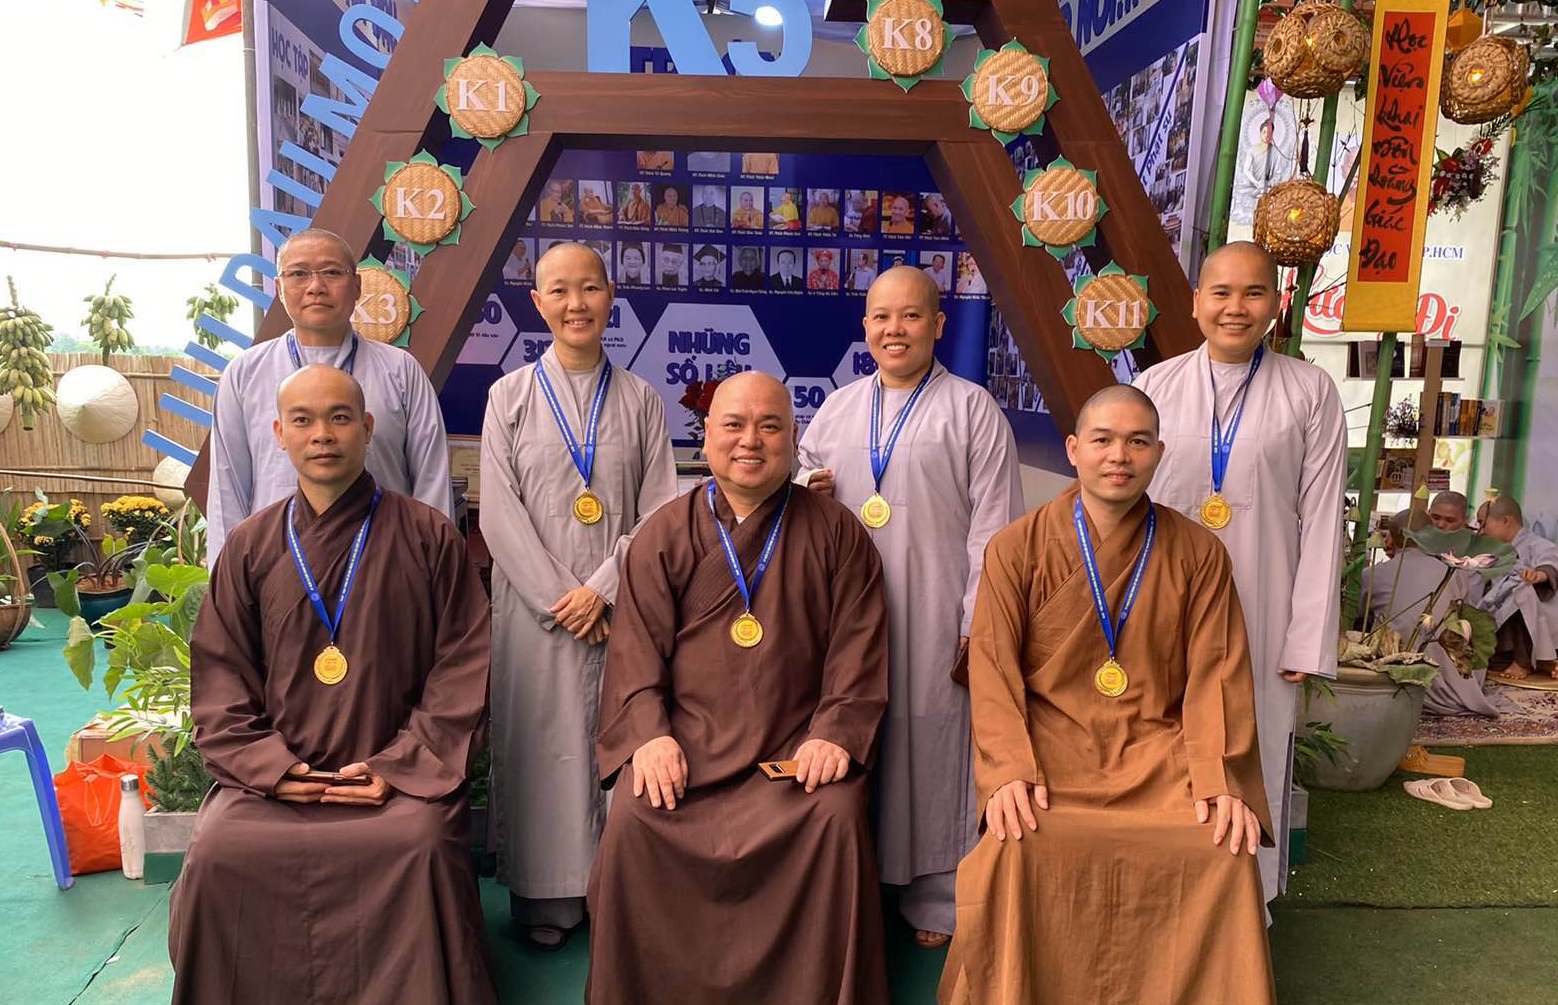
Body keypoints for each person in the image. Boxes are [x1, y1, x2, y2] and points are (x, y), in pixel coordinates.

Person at [939, 384, 1274, 1005]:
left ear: (1159, 453)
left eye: (1137, 442)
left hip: (1158, 752)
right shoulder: (1015, 548)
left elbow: (1217, 672)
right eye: (1103, 440)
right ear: (1074, 449)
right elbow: (992, 668)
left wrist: (1221, 778)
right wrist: (1008, 771)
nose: (1119, 456)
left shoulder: (1199, 551)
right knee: (1017, 844)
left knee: (1222, 848)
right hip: (1052, 751)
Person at [169, 365, 494, 1004]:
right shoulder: (250, 546)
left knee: (421, 844)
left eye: (340, 417)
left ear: (367, 428)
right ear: (279, 435)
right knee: (217, 850)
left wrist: (399, 767)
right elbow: (220, 676)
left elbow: (462, 667)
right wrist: (270, 769)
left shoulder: (428, 536)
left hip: (396, 782)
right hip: (275, 784)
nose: (323, 434)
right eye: (304, 420)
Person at [587, 371, 890, 1003]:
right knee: (633, 820)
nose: (750, 440)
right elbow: (635, 657)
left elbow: (857, 654)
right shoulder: (664, 533)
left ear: (793, 436)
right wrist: (649, 738)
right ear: (707, 434)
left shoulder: (838, 533)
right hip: (688, 750)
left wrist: (834, 735)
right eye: (734, 424)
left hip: (792, 753)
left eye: (769, 426)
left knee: (835, 817)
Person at [799, 266, 1023, 945]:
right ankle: (855, 883)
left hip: (935, 611)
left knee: (934, 741)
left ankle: (936, 896)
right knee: (856, 738)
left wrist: (977, 621)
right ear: (865, 326)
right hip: (847, 615)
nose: (894, 329)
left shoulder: (973, 410)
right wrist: (808, 486)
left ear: (938, 325)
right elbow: (800, 483)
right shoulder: (838, 408)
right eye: (881, 317)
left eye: (911, 315)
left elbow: (996, 530)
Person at [1134, 240, 1346, 905]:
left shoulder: (1309, 390)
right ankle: (1164, 895)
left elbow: (1322, 517)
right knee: (1161, 741)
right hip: (1163, 606)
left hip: (1264, 606)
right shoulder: (1155, 387)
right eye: (1221, 292)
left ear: (1276, 305)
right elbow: (1124, 503)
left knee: (1254, 743)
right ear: (1196, 302)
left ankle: (1246, 906)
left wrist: (1306, 637)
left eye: (1253, 293)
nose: (1236, 307)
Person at [482, 242, 678, 948]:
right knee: (541, 748)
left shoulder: (641, 399)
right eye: (559, 291)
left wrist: (603, 589)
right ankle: (547, 896)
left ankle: (619, 891)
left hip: (621, 609)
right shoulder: (508, 397)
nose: (576, 304)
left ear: (611, 295)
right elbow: (498, 513)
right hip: (536, 614)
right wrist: (559, 597)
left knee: (619, 740)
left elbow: (660, 512)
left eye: (589, 288)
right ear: (538, 303)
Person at [205, 228, 450, 563]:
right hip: (276, 566)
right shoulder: (245, 374)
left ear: (358, 286)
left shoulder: (401, 371)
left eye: (332, 272)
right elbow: (227, 490)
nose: (316, 287)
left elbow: (432, 481)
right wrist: (227, 578)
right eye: (298, 274)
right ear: (278, 288)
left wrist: (432, 569)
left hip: (384, 564)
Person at [1361, 509, 1509, 717]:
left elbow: (1360, 615)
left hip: (1398, 675)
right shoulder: (1455, 570)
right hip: (1453, 678)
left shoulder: (1372, 574)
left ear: (1391, 539)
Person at [1479, 496, 1558, 680]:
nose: (1481, 530)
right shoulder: (1494, 550)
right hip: (1500, 616)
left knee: (1520, 590)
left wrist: (1539, 575)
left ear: (1506, 521)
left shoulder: (1537, 544)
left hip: (1540, 612)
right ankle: (1541, 661)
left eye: (1483, 523)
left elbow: (1551, 563)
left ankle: (1523, 662)